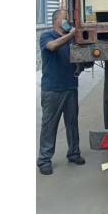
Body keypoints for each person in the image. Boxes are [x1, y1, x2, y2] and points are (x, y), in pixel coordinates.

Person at [37, 9, 85, 175]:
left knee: (72, 123)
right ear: (56, 20)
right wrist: (71, 34)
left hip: (70, 87)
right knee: (49, 125)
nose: (67, 21)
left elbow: (78, 58)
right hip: (52, 90)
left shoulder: (71, 40)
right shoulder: (46, 36)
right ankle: (44, 160)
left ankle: (74, 153)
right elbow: (52, 47)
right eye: (65, 18)